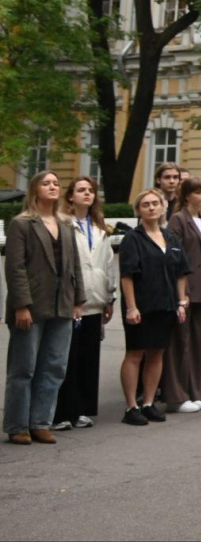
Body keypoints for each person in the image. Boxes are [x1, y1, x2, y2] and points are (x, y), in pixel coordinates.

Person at [5, 171, 84, 444]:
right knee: (23, 368)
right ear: (34, 190)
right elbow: (15, 269)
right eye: (46, 183)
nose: (53, 186)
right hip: (31, 306)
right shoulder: (22, 224)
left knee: (53, 367)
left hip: (61, 304)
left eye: (55, 183)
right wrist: (21, 306)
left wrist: (78, 301)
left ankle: (40, 422)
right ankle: (17, 426)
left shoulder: (65, 223)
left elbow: (75, 265)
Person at [118, 188, 187, 427]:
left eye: (155, 203)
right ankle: (131, 406)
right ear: (138, 210)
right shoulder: (133, 239)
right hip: (141, 306)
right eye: (145, 204)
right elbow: (127, 275)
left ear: (162, 207)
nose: (151, 207)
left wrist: (181, 301)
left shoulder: (171, 237)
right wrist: (131, 307)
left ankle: (148, 402)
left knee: (157, 353)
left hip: (166, 305)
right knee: (135, 353)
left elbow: (181, 273)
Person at [53, 177, 116, 430]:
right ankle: (61, 411)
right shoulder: (63, 224)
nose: (87, 194)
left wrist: (109, 297)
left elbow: (108, 264)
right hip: (72, 300)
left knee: (88, 357)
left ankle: (81, 409)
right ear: (70, 196)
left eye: (90, 191)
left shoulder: (99, 226)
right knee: (67, 357)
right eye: (81, 190)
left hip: (96, 300)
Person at [163, 176, 201, 413]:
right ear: (186, 196)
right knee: (180, 343)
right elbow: (174, 259)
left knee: (198, 342)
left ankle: (196, 391)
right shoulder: (178, 219)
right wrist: (179, 294)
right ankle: (178, 395)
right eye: (198, 192)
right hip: (185, 290)